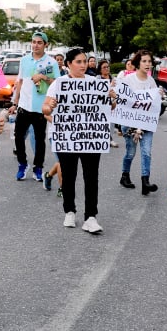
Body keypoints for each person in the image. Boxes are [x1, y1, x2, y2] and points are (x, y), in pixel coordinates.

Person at [43, 48, 104, 234]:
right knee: (69, 175)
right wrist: (50, 107)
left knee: (91, 177)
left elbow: (108, 108)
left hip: (90, 137)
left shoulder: (95, 83)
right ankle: (69, 211)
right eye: (78, 62)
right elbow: (44, 109)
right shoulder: (58, 84)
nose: (83, 65)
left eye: (85, 61)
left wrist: (112, 98)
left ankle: (91, 217)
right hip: (67, 137)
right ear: (68, 64)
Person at [9, 32, 59, 182]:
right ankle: (22, 165)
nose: (35, 45)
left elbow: (57, 83)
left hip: (40, 108)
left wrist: (43, 77)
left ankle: (38, 167)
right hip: (24, 106)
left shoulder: (51, 62)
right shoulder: (24, 60)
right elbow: (20, 82)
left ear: (45, 45)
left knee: (39, 140)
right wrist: (15, 103)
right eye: (33, 42)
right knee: (18, 138)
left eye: (39, 42)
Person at [119, 50, 160, 195]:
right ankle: (125, 175)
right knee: (130, 152)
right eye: (144, 61)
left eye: (149, 61)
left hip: (146, 124)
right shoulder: (129, 80)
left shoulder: (152, 82)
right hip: (130, 123)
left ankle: (145, 181)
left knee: (146, 152)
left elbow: (154, 105)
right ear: (137, 63)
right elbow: (122, 102)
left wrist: (159, 96)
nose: (148, 64)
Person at [97, 59, 119, 148]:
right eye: (104, 67)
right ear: (100, 69)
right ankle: (105, 139)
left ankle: (109, 138)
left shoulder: (113, 78)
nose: (106, 69)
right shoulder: (98, 78)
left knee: (111, 122)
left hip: (112, 103)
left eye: (108, 67)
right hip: (101, 103)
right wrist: (110, 85)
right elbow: (98, 91)